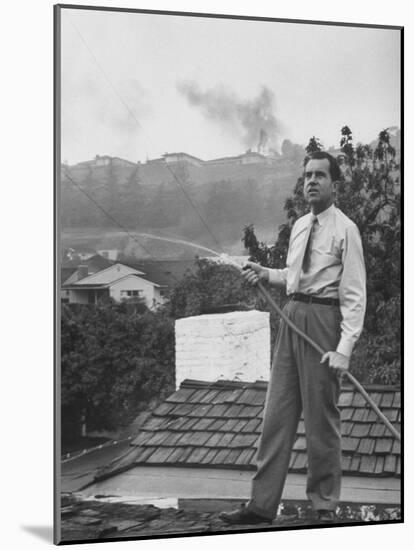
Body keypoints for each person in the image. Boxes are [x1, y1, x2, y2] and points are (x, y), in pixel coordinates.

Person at [220, 151, 366, 525]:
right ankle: (260, 505)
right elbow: (293, 275)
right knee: (276, 415)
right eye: (307, 176)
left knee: (321, 420)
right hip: (292, 317)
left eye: (320, 175)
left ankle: (323, 507)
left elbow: (353, 295)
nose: (312, 181)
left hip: (323, 320)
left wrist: (343, 350)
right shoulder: (302, 225)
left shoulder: (345, 229)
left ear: (335, 183)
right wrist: (264, 273)